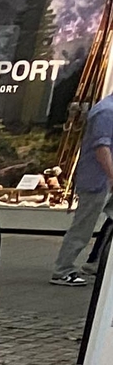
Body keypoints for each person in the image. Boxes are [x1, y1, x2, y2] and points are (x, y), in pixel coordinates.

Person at [51, 89, 113, 285]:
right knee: (83, 227)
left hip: (104, 179)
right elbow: (101, 148)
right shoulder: (106, 112)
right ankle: (63, 269)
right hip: (98, 179)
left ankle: (96, 262)